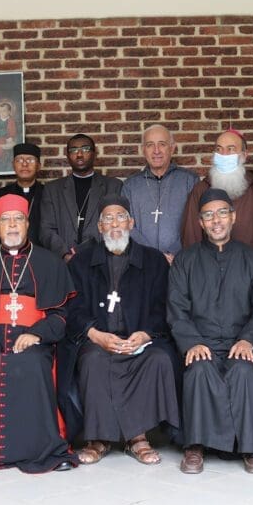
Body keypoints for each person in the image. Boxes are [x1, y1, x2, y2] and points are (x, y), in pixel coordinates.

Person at [0, 194, 78, 473]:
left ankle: (40, 449)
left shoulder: (50, 263)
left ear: (27, 224)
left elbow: (61, 315)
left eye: (17, 219)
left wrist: (39, 334)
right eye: (5, 220)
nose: (11, 226)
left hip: (35, 337)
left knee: (31, 364)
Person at [180, 129, 253, 435]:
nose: (224, 154)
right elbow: (190, 235)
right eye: (219, 148)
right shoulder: (201, 189)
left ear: (243, 156)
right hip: (210, 287)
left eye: (231, 149)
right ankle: (212, 420)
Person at [169, 188, 253, 474]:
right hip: (201, 342)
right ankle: (194, 446)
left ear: (233, 217)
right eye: (208, 215)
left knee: (242, 370)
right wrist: (191, 342)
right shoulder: (185, 260)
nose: (215, 220)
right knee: (199, 369)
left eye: (221, 213)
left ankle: (252, 447)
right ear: (200, 223)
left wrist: (249, 340)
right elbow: (176, 310)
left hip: (238, 343)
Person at [65, 197, 180, 466]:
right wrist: (94, 334)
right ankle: (98, 439)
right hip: (98, 340)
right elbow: (72, 307)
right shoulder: (80, 262)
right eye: (107, 219)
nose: (114, 224)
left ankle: (138, 437)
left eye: (120, 217)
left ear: (131, 222)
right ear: (99, 227)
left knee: (158, 359)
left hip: (139, 340)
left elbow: (164, 307)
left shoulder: (154, 261)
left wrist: (146, 334)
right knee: (92, 360)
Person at [121, 124, 198, 264]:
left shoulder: (189, 181)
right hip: (143, 263)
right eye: (150, 145)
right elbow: (126, 225)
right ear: (143, 150)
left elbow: (193, 224)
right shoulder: (130, 185)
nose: (156, 151)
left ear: (172, 148)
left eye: (162, 144)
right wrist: (152, 256)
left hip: (180, 261)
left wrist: (173, 252)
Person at [40, 134, 124, 261]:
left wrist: (100, 255)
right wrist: (64, 254)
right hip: (65, 264)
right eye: (73, 150)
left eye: (85, 149)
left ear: (95, 154)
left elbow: (118, 226)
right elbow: (46, 229)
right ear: (67, 156)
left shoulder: (113, 186)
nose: (79, 154)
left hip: (102, 262)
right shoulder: (52, 189)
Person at [0, 142, 45, 246]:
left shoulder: (48, 194)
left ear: (38, 166)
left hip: (42, 253)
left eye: (30, 160)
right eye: (19, 160)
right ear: (13, 165)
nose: (24, 164)